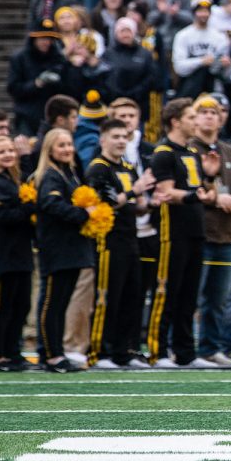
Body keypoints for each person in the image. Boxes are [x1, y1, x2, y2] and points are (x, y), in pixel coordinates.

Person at [147, 98, 218, 368]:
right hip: (171, 231)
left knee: (189, 295)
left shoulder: (191, 152)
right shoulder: (164, 152)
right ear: (175, 121)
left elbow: (203, 193)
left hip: (195, 229)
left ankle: (186, 352)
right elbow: (166, 192)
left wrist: (209, 178)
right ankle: (158, 351)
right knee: (167, 292)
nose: (197, 122)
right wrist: (192, 195)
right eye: (191, 117)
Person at [85, 119, 155, 368]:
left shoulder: (127, 167)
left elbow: (135, 205)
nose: (121, 141)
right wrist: (135, 192)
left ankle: (122, 351)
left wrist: (152, 200)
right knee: (107, 297)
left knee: (131, 296)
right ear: (103, 139)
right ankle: (99, 352)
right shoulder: (98, 168)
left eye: (124, 137)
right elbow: (104, 204)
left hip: (130, 238)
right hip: (108, 241)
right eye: (115, 136)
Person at [189, 95, 231, 365]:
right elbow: (191, 186)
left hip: (228, 233)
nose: (209, 116)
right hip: (199, 233)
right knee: (191, 294)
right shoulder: (188, 149)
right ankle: (181, 346)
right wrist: (217, 197)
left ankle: (210, 347)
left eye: (214, 112)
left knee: (219, 297)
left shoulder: (230, 152)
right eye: (203, 112)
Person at [34, 128, 95, 373]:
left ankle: (56, 351)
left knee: (61, 302)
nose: (68, 149)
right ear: (50, 149)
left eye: (69, 144)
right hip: (57, 248)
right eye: (61, 145)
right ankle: (50, 354)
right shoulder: (51, 175)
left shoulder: (69, 173)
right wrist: (83, 215)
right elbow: (50, 203)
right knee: (52, 302)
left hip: (71, 248)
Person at [0, 136, 35, 371]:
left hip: (19, 254)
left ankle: (12, 351)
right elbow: (3, 217)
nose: (9, 155)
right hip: (0, 255)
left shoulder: (14, 181)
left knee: (20, 305)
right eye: (2, 152)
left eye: (11, 150)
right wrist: (28, 208)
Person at [7, 22, 67, 136]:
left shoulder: (57, 58)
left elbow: (67, 87)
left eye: (49, 39)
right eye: (42, 38)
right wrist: (36, 83)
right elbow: (13, 88)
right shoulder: (20, 58)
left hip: (51, 115)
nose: (46, 42)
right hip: (26, 114)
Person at [172, 0, 231, 98]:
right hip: (189, 88)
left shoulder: (219, 36)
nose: (204, 14)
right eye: (200, 11)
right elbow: (179, 67)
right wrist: (201, 61)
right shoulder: (183, 35)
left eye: (206, 11)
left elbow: (227, 75)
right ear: (194, 12)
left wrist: (226, 65)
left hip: (213, 88)